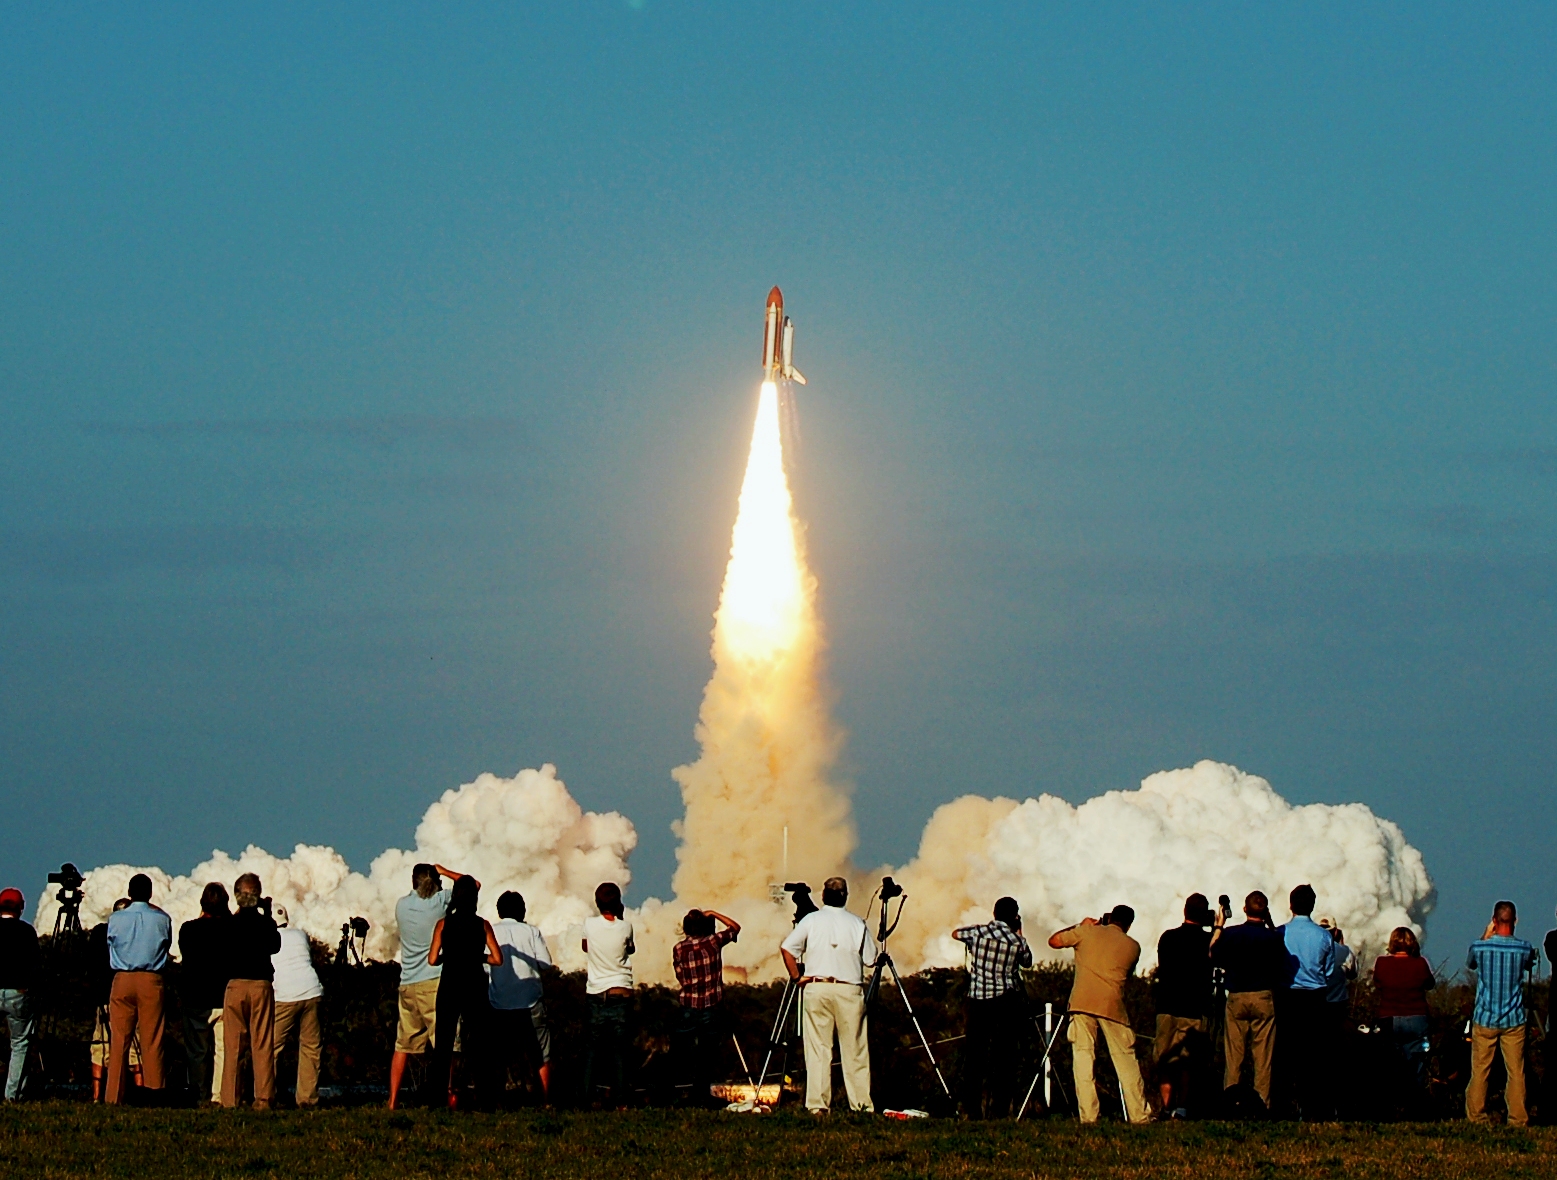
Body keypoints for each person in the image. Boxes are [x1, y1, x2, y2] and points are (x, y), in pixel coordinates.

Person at [781, 877, 878, 1114]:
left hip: (817, 987)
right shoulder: (857, 923)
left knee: (818, 1049)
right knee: (854, 1050)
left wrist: (796, 978)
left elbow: (787, 948)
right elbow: (871, 959)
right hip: (848, 989)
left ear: (823, 896)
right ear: (845, 896)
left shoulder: (811, 920)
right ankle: (861, 1105)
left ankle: (817, 1105)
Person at [1048, 905, 1149, 1125]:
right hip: (1113, 1005)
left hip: (1082, 1002)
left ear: (1110, 917)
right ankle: (1139, 1114)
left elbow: (1054, 941)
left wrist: (1080, 926)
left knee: (1083, 1059)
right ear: (1129, 924)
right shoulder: (1133, 946)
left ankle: (1089, 1117)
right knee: (1126, 1061)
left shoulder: (1087, 932)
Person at [388, 862, 465, 1109]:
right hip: (434, 981)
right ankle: (448, 1095)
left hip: (407, 982)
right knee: (448, 1043)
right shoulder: (440, 903)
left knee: (403, 1045)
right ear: (435, 883)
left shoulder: (401, 905)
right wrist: (444, 871)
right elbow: (471, 885)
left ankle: (392, 1101)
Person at [953, 896, 1032, 1119]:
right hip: (1005, 1001)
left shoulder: (978, 932)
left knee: (975, 1057)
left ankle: (972, 1110)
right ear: (1014, 916)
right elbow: (1027, 962)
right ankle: (998, 1111)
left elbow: (956, 934)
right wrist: (1019, 930)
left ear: (994, 913)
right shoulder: (1017, 942)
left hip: (977, 1000)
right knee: (1004, 1058)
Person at [1210, 890, 1288, 1113]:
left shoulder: (1232, 934)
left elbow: (1213, 954)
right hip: (1263, 995)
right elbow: (1282, 960)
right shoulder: (1273, 937)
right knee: (1263, 1058)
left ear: (1245, 909)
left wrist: (1219, 926)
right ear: (1265, 911)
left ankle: (1230, 1103)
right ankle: (1262, 1105)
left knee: (1234, 1056)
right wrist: (1270, 923)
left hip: (1236, 996)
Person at [428, 875, 502, 1110]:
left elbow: (431, 960)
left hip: (450, 983)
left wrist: (446, 957)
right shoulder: (482, 924)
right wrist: (479, 956)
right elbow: (497, 958)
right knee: (479, 1043)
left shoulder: (443, 924)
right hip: (475, 984)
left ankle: (436, 1100)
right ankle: (484, 1098)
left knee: (444, 1043)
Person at [1464, 900, 1537, 1127]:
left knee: (1480, 1069)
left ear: (1494, 921)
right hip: (1513, 1018)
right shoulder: (1524, 948)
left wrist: (1485, 935)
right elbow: (1529, 964)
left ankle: (1477, 1116)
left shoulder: (1480, 947)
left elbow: (1471, 963)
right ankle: (1517, 1117)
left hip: (1485, 1017)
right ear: (1515, 921)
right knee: (1516, 1071)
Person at [105, 873, 172, 1104]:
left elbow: (110, 945)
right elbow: (166, 946)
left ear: (129, 893)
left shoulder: (116, 919)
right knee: (152, 1040)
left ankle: (113, 1096)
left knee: (118, 1041)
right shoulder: (162, 919)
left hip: (122, 978)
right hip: (151, 979)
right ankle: (155, 1094)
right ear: (151, 893)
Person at [489, 891, 556, 1104]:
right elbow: (546, 963)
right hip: (531, 1001)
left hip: (499, 1003)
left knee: (498, 1056)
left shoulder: (490, 931)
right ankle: (544, 1100)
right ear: (522, 910)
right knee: (541, 1055)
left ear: (499, 911)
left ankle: (497, 1100)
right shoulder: (531, 931)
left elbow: (484, 965)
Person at [221, 873, 281, 1110]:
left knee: (233, 1045)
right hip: (260, 985)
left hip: (235, 985)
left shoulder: (229, 923)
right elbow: (274, 945)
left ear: (237, 896)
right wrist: (266, 914)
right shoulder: (265, 923)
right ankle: (264, 1098)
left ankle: (230, 1099)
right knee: (262, 1043)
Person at [1152, 893, 1214, 1119]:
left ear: (1185, 911)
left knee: (1165, 1059)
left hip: (1168, 1004)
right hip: (1194, 1007)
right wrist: (1217, 928)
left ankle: (1166, 1106)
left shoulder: (1168, 938)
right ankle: (1183, 1108)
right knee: (1188, 1062)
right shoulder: (1208, 940)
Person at [672, 906, 741, 1105]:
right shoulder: (713, 942)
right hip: (711, 1006)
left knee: (679, 1053)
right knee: (706, 1055)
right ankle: (700, 1094)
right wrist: (714, 913)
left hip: (688, 1006)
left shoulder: (678, 948)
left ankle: (668, 1094)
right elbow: (735, 928)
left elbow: (679, 975)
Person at [1280, 884, 1338, 1120]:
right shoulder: (1324, 936)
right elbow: (1330, 970)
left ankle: (1283, 1107)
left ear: (1291, 905)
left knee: (1285, 1056)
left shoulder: (1280, 933)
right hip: (1315, 999)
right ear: (1312, 906)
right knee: (1314, 1059)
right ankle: (1312, 1109)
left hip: (1288, 998)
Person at [582, 881, 636, 1109]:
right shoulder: (626, 927)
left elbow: (586, 947)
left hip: (596, 995)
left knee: (592, 1052)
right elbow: (630, 949)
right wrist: (620, 918)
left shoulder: (589, 925)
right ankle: (622, 1102)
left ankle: (585, 1100)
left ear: (597, 902)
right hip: (621, 995)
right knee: (620, 1053)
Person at [178, 882, 231, 1104]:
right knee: (223, 1052)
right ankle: (219, 1096)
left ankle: (198, 1095)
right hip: (223, 997)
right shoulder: (231, 929)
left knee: (196, 1053)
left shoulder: (188, 929)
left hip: (195, 998)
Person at [1372, 926, 1434, 1113]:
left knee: (1387, 1067)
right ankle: (1414, 1109)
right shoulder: (1420, 963)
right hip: (1416, 1020)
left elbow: (1378, 984)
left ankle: (1386, 1109)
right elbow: (1429, 984)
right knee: (1416, 1067)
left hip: (1388, 1020)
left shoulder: (1382, 963)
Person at [270, 905, 323, 1108]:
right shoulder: (300, 934)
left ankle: (268, 1095)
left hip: (284, 995)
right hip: (312, 990)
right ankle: (307, 1099)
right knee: (310, 1047)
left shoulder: (269, 938)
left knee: (272, 1048)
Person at [89, 899, 139, 1101]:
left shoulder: (101, 932)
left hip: (104, 997)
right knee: (135, 1047)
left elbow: (91, 963)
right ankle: (139, 1092)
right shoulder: (134, 933)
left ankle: (97, 1094)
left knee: (101, 1046)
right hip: (125, 995)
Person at [0, 887, 39, 1103]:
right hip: (18, 992)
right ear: (21, 908)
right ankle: (12, 1095)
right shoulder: (26, 931)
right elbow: (35, 966)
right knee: (20, 1044)